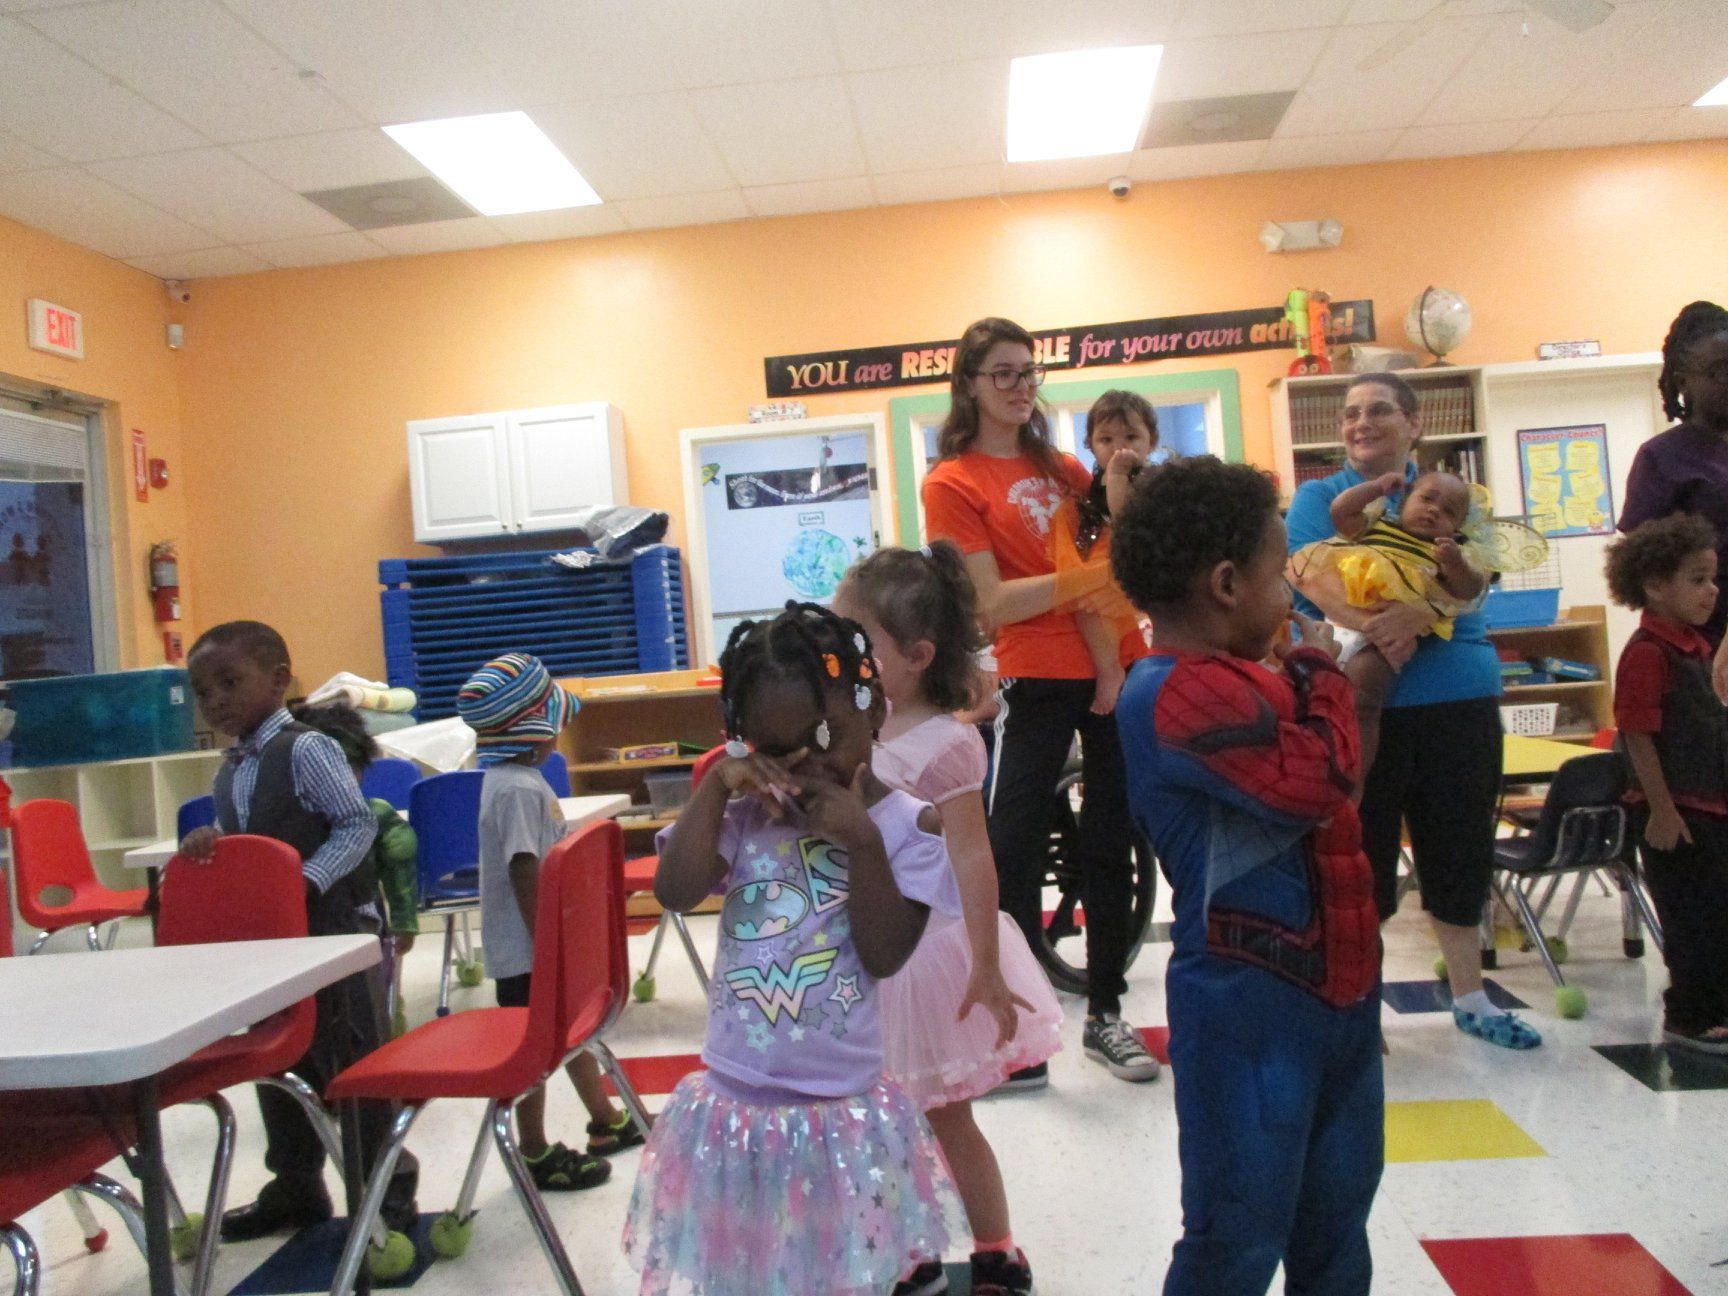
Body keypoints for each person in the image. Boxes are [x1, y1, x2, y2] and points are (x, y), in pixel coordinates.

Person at [624, 602, 963, 1296]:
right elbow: (676, 891)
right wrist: (720, 782)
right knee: (743, 1273)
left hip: (838, 1113)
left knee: (842, 1276)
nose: (804, 763)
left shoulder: (907, 825)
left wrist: (862, 842)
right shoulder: (747, 817)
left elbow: (886, 953)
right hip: (734, 1105)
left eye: (822, 735)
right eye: (774, 748)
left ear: (872, 710)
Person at [1111, 456, 1383, 1296]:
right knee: (1236, 1238)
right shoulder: (1168, 693)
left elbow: (1334, 787)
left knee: (1336, 1236)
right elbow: (1319, 780)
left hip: (1340, 997)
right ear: (1228, 582)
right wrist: (1324, 669)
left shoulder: (1253, 676)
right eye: (1281, 573)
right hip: (1245, 1010)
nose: (1291, 594)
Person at [922, 316, 1158, 1083]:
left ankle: (1109, 1015)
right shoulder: (952, 482)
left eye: (1030, 373)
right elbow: (989, 602)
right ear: (969, 384)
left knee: (1111, 842)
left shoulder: (1067, 470)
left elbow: (1125, 553)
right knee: (1010, 847)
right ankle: (1017, 1025)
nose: (1022, 387)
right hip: (1034, 675)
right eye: (1004, 373)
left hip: (1117, 662)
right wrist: (1091, 580)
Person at [1285, 372, 1541, 1050]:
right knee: (1359, 857)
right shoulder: (1321, 496)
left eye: (1376, 411)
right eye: (1349, 414)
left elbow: (1475, 584)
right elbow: (1313, 578)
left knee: (1459, 848)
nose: (1360, 424)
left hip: (1459, 696)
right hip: (1366, 705)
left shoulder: (1458, 497)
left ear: (1413, 422)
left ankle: (1470, 995)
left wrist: (1417, 612)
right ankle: (1357, 1008)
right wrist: (1384, 626)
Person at [834, 544, 1064, 1296]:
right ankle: (909, 1253)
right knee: (876, 1125)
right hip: (865, 955)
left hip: (928, 958)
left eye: (854, 643)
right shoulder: (857, 727)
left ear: (916, 655)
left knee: (945, 1119)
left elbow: (974, 860)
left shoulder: (945, 742)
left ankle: (998, 1249)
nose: (838, 657)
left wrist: (987, 964)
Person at [182, 621, 420, 1243]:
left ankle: (387, 1196)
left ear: (279, 679)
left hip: (334, 937)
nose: (217, 701)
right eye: (204, 692)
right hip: (272, 944)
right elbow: (245, 844)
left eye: (230, 683)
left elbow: (353, 825)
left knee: (353, 1066)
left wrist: (304, 881)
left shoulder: (307, 748)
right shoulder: (229, 770)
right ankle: (296, 1188)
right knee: (282, 1063)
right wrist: (210, 842)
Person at [456, 654, 644, 1191]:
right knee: (534, 1053)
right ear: (536, 734)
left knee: (570, 1033)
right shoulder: (516, 788)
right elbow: (523, 867)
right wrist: (549, 945)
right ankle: (534, 1150)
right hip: (527, 951)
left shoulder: (513, 779)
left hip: (534, 947)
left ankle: (606, 1120)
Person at [1605, 515, 1728, 1054]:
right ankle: (1690, 1014)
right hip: (1673, 808)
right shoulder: (1648, 652)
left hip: (1706, 803)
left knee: (1716, 910)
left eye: (1713, 578)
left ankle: (1715, 1004)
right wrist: (1661, 809)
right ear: (1655, 586)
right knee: (1689, 914)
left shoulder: (1694, 647)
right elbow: (1636, 735)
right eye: (1697, 579)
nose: (1713, 590)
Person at [1288, 469, 1485, 783]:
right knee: (1306, 695)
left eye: (1449, 511)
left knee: (1364, 696)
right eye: (1427, 499)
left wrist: (1456, 563)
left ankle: (1353, 780)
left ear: (1458, 526)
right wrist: (1375, 487)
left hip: (1388, 639)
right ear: (1404, 501)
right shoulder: (1377, 522)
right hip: (1338, 622)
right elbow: (1341, 511)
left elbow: (1469, 590)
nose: (1435, 510)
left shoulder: (1445, 553)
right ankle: (1314, 773)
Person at [1618, 301, 1728, 695]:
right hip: (1697, 642)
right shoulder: (1661, 458)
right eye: (1719, 371)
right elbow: (1641, 564)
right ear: (1683, 381)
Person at [1051, 389, 1157, 716]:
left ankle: (1118, 669)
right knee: (1085, 592)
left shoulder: (1158, 483)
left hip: (1140, 564)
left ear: (1151, 441)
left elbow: (1129, 523)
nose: (1119, 447)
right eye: (1106, 439)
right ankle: (1109, 668)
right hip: (1101, 563)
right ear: (1091, 445)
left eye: (1131, 437)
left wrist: (1120, 477)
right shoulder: (1084, 497)